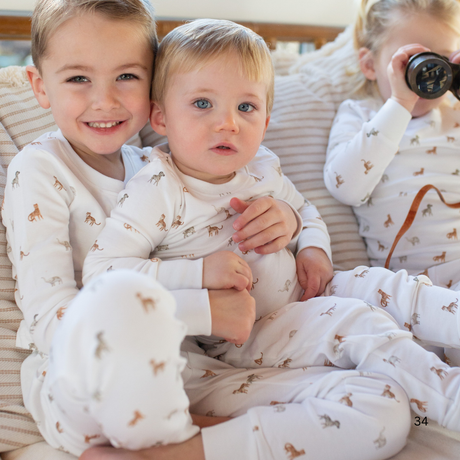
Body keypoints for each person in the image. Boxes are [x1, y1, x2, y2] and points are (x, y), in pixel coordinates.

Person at [82, 18, 460, 460]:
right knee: (361, 327)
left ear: (265, 118)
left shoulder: (262, 167)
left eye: (246, 107)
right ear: (161, 117)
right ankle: (450, 402)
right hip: (248, 335)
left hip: (309, 290)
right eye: (202, 103)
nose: (227, 123)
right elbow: (103, 274)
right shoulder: (157, 188)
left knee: (401, 289)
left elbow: (307, 210)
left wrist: (310, 242)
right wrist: (199, 272)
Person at [2, 1, 303, 456]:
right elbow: (53, 322)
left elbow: (235, 226)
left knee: (372, 404)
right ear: (40, 87)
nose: (105, 100)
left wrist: (287, 218)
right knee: (113, 297)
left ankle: (183, 442)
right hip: (82, 377)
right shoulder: (40, 169)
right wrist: (203, 309)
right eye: (78, 78)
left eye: (127, 76)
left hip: (186, 366)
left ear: (156, 87)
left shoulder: (160, 166)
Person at [323, 0, 460, 364]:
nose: (427, 76)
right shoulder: (360, 116)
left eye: (441, 60)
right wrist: (399, 103)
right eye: (412, 61)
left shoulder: (454, 113)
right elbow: (345, 185)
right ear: (370, 64)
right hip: (405, 292)